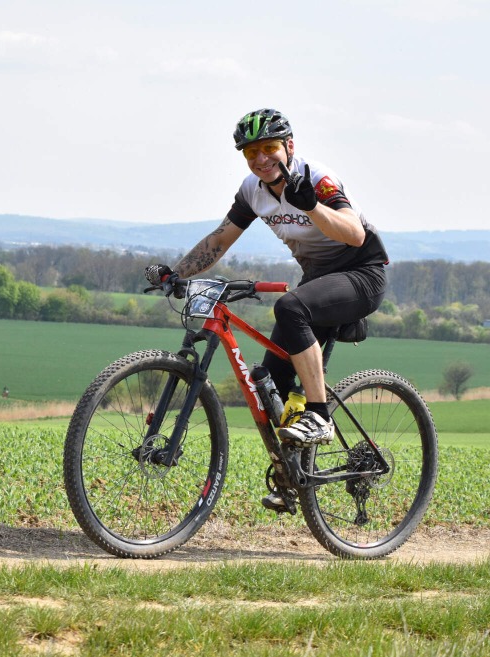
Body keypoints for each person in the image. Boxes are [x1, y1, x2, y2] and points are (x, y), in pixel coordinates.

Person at [145, 108, 388, 508]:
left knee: (290, 307)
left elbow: (355, 234)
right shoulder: (252, 190)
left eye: (269, 148)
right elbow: (220, 239)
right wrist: (177, 273)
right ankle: (294, 477)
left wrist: (312, 206)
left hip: (362, 273)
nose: (260, 159)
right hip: (319, 279)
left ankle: (320, 415)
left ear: (288, 146)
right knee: (271, 382)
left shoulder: (316, 178)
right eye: (250, 152)